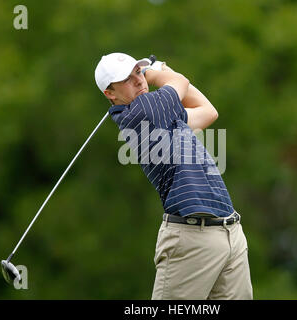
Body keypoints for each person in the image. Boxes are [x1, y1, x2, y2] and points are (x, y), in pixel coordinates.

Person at [94, 52, 253, 300]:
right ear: (110, 94)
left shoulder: (163, 116)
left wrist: (159, 73)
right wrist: (155, 71)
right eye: (126, 78)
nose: (138, 81)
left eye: (138, 72)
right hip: (191, 239)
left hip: (229, 233)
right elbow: (180, 83)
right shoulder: (142, 111)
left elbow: (208, 111)